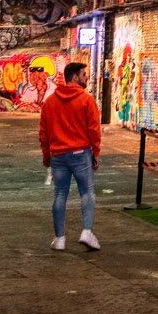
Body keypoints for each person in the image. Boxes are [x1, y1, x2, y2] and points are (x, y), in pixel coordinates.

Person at [40, 62, 102, 252]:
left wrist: (47, 157)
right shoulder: (86, 100)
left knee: (60, 195)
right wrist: (96, 153)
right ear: (74, 77)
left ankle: (59, 238)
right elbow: (94, 129)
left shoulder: (49, 102)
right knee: (87, 192)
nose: (86, 77)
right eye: (84, 74)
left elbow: (44, 133)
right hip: (81, 153)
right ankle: (87, 232)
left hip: (58, 155)